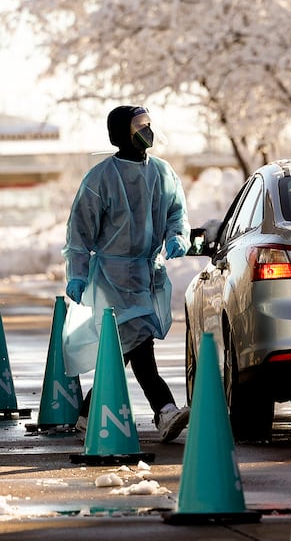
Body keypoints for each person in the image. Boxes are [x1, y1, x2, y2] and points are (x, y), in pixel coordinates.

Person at [63, 105, 191, 443]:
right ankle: (164, 409)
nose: (146, 131)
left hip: (148, 274)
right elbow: (79, 231)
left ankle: (89, 412)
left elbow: (177, 210)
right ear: (121, 132)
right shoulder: (100, 178)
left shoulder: (163, 173)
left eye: (148, 124)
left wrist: (178, 236)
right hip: (112, 276)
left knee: (124, 347)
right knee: (138, 343)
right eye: (138, 125)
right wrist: (77, 273)